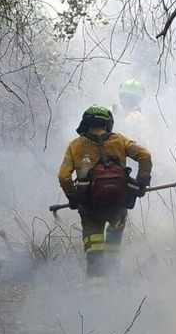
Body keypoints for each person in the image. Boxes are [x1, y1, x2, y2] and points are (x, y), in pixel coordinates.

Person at [58, 105, 152, 282]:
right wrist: (141, 183)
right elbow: (144, 155)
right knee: (113, 244)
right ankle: (113, 279)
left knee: (94, 249)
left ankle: (96, 291)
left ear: (85, 123)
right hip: (118, 204)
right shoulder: (119, 140)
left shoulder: (75, 146)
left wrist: (74, 198)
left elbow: (63, 176)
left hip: (89, 207)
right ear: (108, 123)